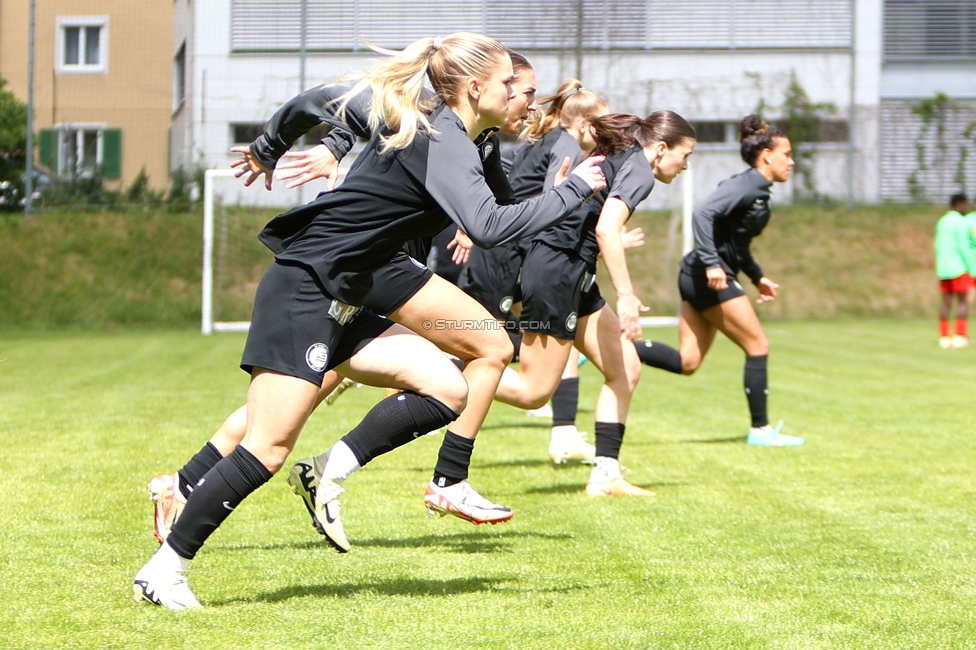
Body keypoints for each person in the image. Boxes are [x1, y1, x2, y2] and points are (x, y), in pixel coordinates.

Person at [133, 32, 606, 610]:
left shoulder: (458, 133)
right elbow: (487, 225)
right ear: (476, 87)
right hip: (309, 286)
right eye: (512, 83)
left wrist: (268, 145)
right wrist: (576, 190)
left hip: (365, 283)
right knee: (267, 448)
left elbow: (315, 101)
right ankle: (165, 568)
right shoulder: (437, 133)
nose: (521, 95)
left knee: (454, 378)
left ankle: (356, 469)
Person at [491, 110, 697, 496]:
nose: (685, 166)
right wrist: (627, 296)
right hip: (557, 273)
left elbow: (581, 213)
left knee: (626, 368)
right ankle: (443, 372)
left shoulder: (618, 155)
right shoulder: (639, 168)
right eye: (684, 156)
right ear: (662, 148)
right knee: (533, 392)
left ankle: (605, 475)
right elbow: (606, 229)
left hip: (571, 272)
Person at [460, 79, 611, 465]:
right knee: (476, 340)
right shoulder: (563, 143)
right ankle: (417, 365)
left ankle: (563, 433)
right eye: (603, 124)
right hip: (510, 254)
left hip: (520, 250)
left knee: (554, 338)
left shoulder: (544, 140)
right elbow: (552, 199)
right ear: (584, 124)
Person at [632, 115, 804, 447]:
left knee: (687, 362)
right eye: (786, 154)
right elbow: (702, 213)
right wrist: (712, 264)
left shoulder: (756, 189)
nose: (791, 161)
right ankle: (761, 430)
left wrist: (757, 277)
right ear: (766, 155)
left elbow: (736, 245)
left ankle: (611, 346)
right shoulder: (746, 185)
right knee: (758, 346)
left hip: (698, 274)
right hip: (708, 277)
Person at [934, 193, 974, 348]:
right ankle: (959, 335)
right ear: (961, 204)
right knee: (963, 301)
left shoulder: (942, 221)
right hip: (958, 267)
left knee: (946, 302)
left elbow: (937, 245)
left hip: (943, 268)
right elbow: (964, 247)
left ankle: (944, 336)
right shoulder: (961, 222)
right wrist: (972, 268)